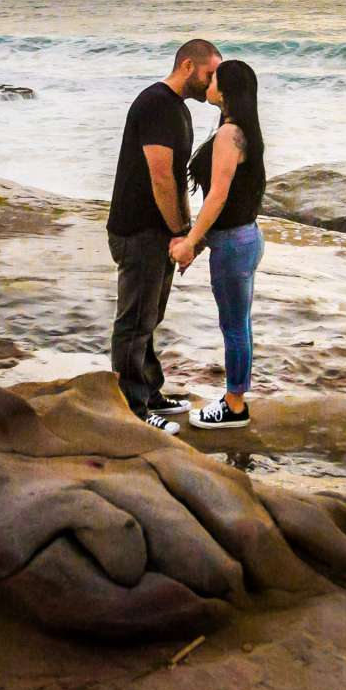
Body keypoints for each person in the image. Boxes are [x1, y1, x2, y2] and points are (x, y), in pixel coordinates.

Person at [105, 37, 220, 432]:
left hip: (158, 232)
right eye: (209, 73)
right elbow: (159, 177)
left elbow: (177, 178)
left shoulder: (178, 110)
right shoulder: (156, 103)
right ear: (188, 66)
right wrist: (177, 232)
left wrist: (184, 234)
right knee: (135, 320)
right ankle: (133, 409)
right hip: (137, 230)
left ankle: (149, 390)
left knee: (150, 315)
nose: (211, 82)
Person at [172, 58, 265, 429]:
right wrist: (201, 241)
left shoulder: (230, 135)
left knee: (234, 326)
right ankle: (235, 396)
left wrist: (191, 241)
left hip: (234, 243)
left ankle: (234, 405)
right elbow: (231, 198)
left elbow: (218, 197)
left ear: (224, 92)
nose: (208, 82)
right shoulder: (242, 131)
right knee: (239, 323)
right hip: (243, 237)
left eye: (214, 79)